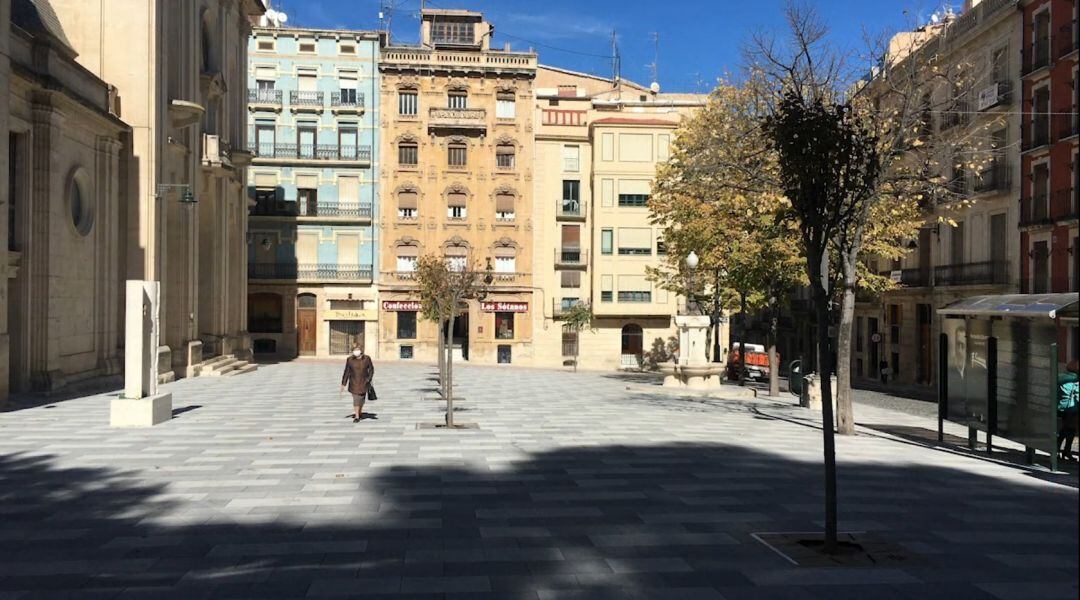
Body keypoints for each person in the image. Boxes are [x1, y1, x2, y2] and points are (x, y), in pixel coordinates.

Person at [341, 344, 374, 424]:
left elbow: (371, 369)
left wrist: (369, 378)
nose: (356, 351)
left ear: (361, 350)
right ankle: (357, 416)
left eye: (358, 349)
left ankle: (360, 412)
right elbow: (347, 372)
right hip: (354, 382)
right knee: (356, 399)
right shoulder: (350, 360)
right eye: (354, 350)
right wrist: (343, 384)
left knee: (362, 399)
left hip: (364, 382)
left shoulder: (366, 358)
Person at [1057, 359, 1079, 462]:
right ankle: (1066, 451)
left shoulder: (1061, 377)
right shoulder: (1075, 380)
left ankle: (1059, 450)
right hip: (1071, 408)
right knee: (1070, 430)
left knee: (1066, 429)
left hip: (1061, 407)